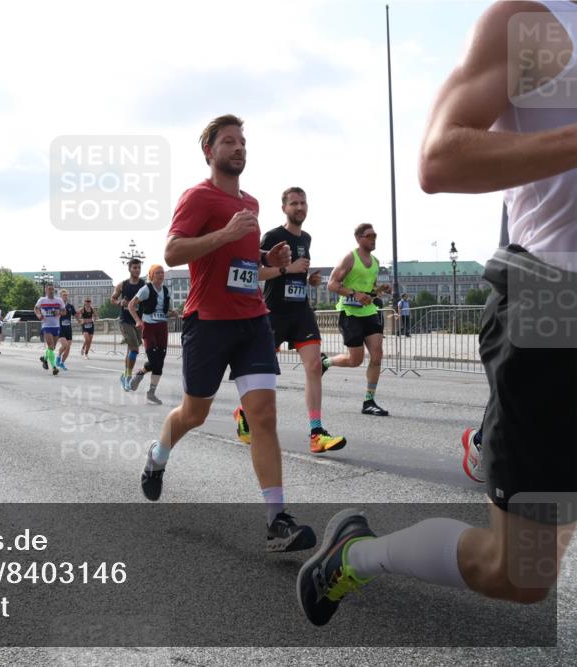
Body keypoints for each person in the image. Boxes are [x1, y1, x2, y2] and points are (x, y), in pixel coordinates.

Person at [298, 0, 577, 627]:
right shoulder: (531, 19)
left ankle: (488, 435)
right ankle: (355, 556)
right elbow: (439, 158)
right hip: (558, 302)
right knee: (522, 575)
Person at [139, 113, 313, 553]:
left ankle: (277, 520)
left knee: (264, 417)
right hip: (209, 323)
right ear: (209, 152)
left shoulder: (251, 204)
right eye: (229, 142)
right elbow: (173, 251)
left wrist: (264, 256)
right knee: (193, 414)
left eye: (242, 142)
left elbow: (242, 263)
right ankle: (158, 457)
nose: (239, 148)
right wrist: (226, 232)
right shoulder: (198, 198)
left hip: (253, 320)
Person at [234, 187, 346, 454]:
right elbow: (256, 272)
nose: (299, 207)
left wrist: (309, 280)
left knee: (314, 366)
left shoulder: (306, 238)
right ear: (284, 208)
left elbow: (296, 275)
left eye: (303, 202)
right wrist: (288, 269)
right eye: (294, 203)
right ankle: (244, 414)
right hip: (274, 312)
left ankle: (317, 433)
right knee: (262, 375)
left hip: (301, 311)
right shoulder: (273, 236)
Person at [323, 223, 393, 416]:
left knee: (377, 355)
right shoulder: (350, 258)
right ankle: (326, 362)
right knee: (355, 360)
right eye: (369, 236)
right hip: (350, 313)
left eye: (375, 235)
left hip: (369, 312)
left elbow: (370, 289)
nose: (373, 239)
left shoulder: (376, 262)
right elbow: (331, 284)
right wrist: (354, 293)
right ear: (358, 238)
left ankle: (369, 401)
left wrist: (382, 289)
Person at [127, 265, 177, 405]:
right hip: (149, 326)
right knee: (154, 360)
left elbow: (164, 309)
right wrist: (138, 320)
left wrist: (172, 312)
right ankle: (140, 374)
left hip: (162, 327)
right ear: (151, 275)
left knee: (159, 363)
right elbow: (131, 305)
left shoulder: (166, 290)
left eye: (162, 272)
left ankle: (151, 393)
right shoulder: (146, 289)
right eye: (157, 273)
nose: (160, 275)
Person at [111, 259, 146, 390]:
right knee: (135, 350)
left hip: (138, 321)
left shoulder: (144, 285)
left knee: (131, 351)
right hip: (125, 320)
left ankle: (124, 375)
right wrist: (120, 303)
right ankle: (128, 377)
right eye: (135, 267)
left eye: (139, 268)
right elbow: (113, 299)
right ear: (129, 269)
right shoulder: (122, 285)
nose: (137, 270)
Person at [34, 284, 64, 376]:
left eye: (52, 289)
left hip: (56, 326)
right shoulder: (42, 300)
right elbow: (36, 308)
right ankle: (54, 367)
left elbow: (64, 311)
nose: (51, 291)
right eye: (49, 289)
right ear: (46, 290)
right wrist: (39, 315)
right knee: (50, 346)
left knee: (53, 348)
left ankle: (44, 358)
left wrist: (58, 312)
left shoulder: (59, 300)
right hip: (46, 325)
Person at [56, 289, 77, 370]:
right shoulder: (58, 306)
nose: (65, 296)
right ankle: (58, 357)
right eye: (64, 295)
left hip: (68, 329)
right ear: (60, 297)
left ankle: (62, 363)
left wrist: (80, 320)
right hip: (60, 328)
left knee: (68, 348)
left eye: (66, 295)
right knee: (64, 345)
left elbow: (75, 315)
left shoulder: (70, 306)